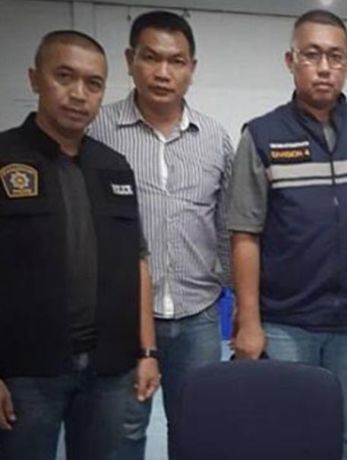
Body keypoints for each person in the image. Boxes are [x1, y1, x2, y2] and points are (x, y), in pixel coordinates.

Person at [227, 9, 347, 460]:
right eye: (312, 55)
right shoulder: (263, 135)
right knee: (286, 432)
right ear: (291, 61)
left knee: (345, 430)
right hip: (285, 322)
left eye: (335, 56)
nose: (324, 67)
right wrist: (248, 320)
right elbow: (245, 233)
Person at [0, 30, 159, 460]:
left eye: (93, 83)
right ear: (35, 79)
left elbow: (138, 262)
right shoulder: (5, 157)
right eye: (64, 76)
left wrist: (147, 351)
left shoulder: (114, 166)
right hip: (26, 370)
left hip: (110, 368)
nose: (78, 94)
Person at [88, 10, 234, 459]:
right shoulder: (97, 131)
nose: (163, 72)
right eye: (151, 58)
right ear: (130, 60)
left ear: (192, 68)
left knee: (197, 431)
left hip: (199, 315)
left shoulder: (214, 138)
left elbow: (226, 226)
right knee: (122, 434)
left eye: (176, 61)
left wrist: (234, 297)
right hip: (123, 318)